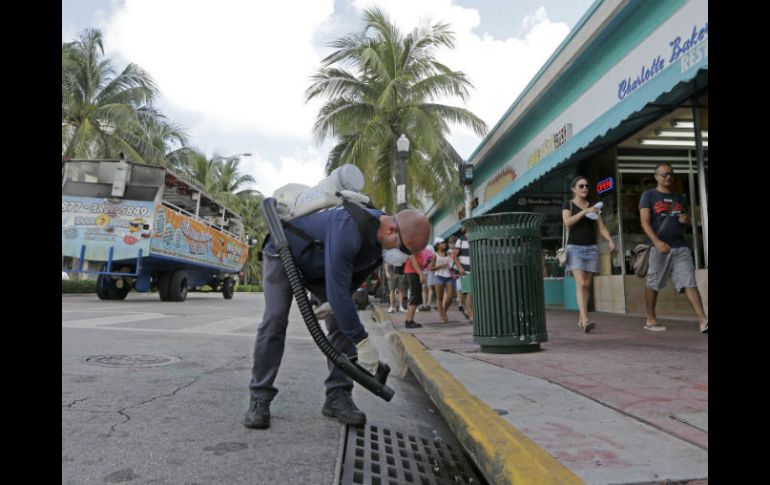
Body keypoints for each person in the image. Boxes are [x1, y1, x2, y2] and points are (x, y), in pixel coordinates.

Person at [245, 206, 430, 429]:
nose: (403, 257)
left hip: (321, 267)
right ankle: (260, 397)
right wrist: (362, 341)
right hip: (284, 254)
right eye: (405, 249)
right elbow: (337, 287)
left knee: (342, 322)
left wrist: (335, 305)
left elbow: (350, 283)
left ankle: (337, 396)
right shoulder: (349, 226)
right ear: (391, 230)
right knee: (275, 319)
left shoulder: (377, 248)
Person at [639, 163, 708, 333]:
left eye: (671, 174)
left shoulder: (680, 198)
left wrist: (686, 222)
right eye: (664, 174)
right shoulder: (648, 196)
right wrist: (656, 242)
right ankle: (650, 318)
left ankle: (703, 320)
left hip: (680, 246)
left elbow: (682, 223)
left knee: (689, 281)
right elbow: (644, 223)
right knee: (653, 283)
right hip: (658, 247)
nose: (668, 177)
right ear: (656, 177)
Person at [562, 176, 615, 332]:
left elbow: (601, 226)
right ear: (574, 189)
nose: (585, 188)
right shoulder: (568, 204)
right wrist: (584, 211)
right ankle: (585, 319)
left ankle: (582, 318)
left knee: (588, 285)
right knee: (581, 283)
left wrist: (610, 240)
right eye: (581, 186)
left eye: (586, 186)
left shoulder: (593, 206)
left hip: (591, 248)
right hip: (574, 248)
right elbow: (567, 222)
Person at [403, 245, 433, 328]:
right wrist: (421, 274)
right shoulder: (413, 246)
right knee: (414, 296)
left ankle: (410, 320)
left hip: (416, 272)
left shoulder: (420, 247)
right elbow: (412, 260)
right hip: (412, 272)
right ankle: (409, 321)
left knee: (416, 296)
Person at [429, 237, 455, 323]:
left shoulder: (448, 253)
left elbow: (451, 264)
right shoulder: (434, 255)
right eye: (442, 243)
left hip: (448, 276)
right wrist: (441, 266)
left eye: (444, 243)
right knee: (439, 297)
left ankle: (444, 311)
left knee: (450, 296)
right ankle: (441, 316)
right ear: (437, 245)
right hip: (438, 277)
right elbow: (431, 268)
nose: (444, 244)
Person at [452, 227, 473, 323]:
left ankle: (471, 314)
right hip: (466, 271)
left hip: (478, 270)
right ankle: (471, 316)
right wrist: (460, 267)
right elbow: (454, 255)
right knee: (469, 293)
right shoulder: (461, 240)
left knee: (476, 294)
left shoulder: (477, 236)